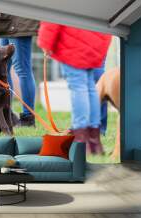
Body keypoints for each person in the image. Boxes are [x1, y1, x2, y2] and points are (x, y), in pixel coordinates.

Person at [37, 22, 112, 154]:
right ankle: (94, 142)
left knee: (79, 87)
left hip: (73, 40)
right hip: (96, 38)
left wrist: (45, 42)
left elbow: (54, 13)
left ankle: (80, 140)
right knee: (90, 87)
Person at [0, 12, 39, 126]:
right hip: (5, 21)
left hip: (18, 22)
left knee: (22, 70)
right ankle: (7, 115)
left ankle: (28, 119)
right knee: (4, 69)